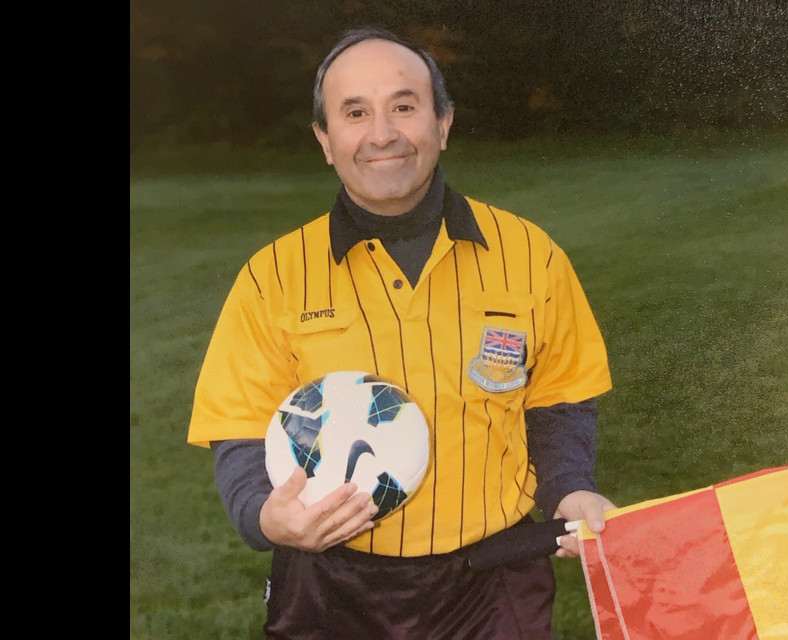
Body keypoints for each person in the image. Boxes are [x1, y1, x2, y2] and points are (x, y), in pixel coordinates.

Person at [187, 26, 615, 640]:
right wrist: (265, 516)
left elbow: (560, 397)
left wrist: (570, 489)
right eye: (355, 113)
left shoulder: (530, 256)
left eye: (404, 107)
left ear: (442, 124)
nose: (382, 133)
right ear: (325, 140)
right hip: (331, 585)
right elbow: (239, 426)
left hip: (494, 583)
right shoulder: (272, 277)